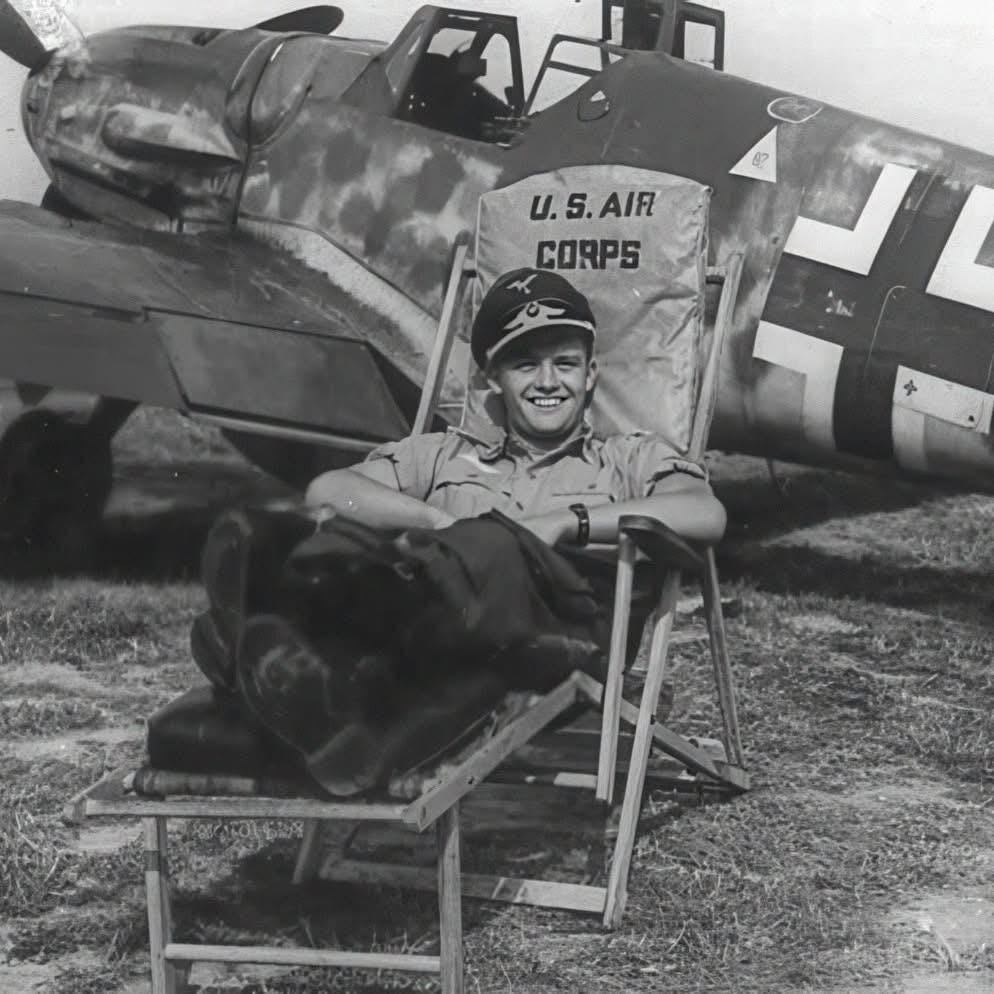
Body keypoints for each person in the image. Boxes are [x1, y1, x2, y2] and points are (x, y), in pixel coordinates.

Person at [191, 268, 726, 795]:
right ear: (493, 378)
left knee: (493, 543)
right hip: (437, 633)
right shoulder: (444, 453)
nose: (547, 382)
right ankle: (311, 673)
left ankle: (270, 651)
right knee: (297, 534)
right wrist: (435, 521)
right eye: (525, 365)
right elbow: (329, 490)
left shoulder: (627, 458)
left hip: (558, 633)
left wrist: (567, 521)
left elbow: (704, 513)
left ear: (590, 375)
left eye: (565, 364)